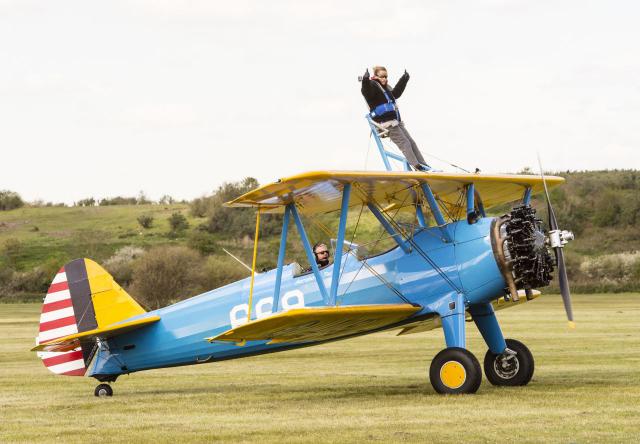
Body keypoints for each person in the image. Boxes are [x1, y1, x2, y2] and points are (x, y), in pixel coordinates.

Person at [360, 66, 429, 171]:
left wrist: (404, 79)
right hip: (385, 123)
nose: (384, 79)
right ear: (376, 77)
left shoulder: (386, 87)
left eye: (386, 77)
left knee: (411, 142)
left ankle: (424, 165)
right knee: (404, 143)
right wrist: (365, 80)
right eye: (382, 77)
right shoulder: (372, 86)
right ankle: (417, 166)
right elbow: (365, 91)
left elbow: (396, 93)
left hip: (395, 122)